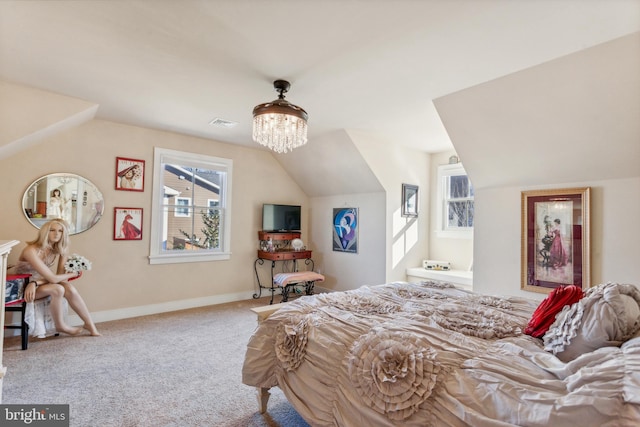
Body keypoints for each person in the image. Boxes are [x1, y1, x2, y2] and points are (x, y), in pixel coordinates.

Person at [15, 218, 100, 336]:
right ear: (45, 232)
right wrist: (74, 274)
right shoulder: (31, 250)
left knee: (68, 288)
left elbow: (60, 278)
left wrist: (35, 283)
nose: (57, 234)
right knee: (58, 289)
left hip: (38, 283)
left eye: (60, 231)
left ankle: (89, 324)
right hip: (22, 286)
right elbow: (54, 279)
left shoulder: (60, 249)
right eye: (52, 230)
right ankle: (60, 325)